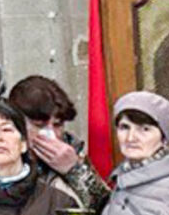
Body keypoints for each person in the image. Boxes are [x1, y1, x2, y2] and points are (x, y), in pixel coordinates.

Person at [7, 74, 108, 203]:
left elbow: (105, 210)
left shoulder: (73, 151)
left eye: (57, 125)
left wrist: (74, 170)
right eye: (39, 125)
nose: (51, 134)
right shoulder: (0, 154)